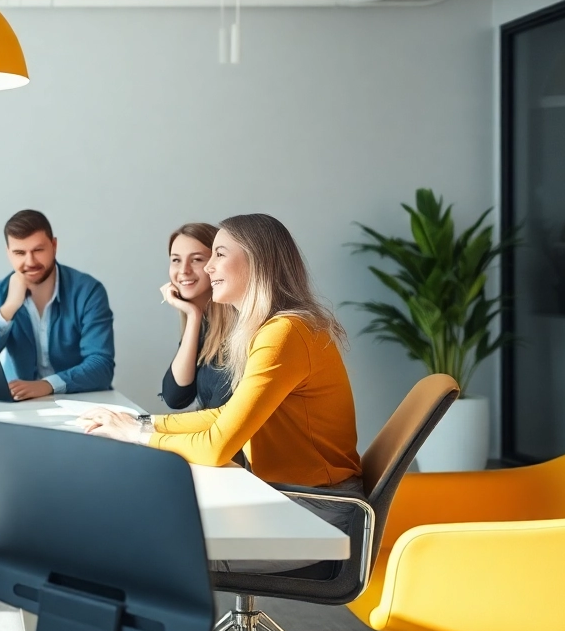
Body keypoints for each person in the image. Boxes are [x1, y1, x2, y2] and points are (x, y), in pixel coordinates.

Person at [80, 214, 363, 575]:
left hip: (315, 512)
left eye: (219, 254)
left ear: (257, 261)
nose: (208, 267)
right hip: (284, 496)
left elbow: (217, 446)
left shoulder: (285, 334)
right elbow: (224, 416)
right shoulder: (274, 329)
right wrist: (142, 422)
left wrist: (136, 434)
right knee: (136, 512)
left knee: (140, 547)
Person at [0, 209, 115, 399]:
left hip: (79, 399)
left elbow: (101, 366)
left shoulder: (88, 291)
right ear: (8, 253)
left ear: (54, 245)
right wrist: (8, 308)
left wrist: (47, 385)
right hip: (19, 404)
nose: (30, 261)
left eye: (38, 250)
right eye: (19, 253)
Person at [159, 223, 236, 411]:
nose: (184, 270)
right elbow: (175, 396)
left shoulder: (238, 329)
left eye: (196, 259)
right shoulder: (204, 323)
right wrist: (193, 316)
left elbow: (222, 414)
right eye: (176, 260)